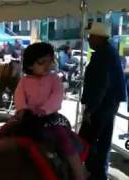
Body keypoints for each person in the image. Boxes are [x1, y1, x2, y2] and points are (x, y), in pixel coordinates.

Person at [14, 42, 84, 180]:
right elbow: (19, 95)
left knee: (64, 139)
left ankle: (78, 174)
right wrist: (21, 109)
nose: (47, 65)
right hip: (28, 117)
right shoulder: (24, 81)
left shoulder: (54, 79)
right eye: (42, 62)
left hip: (49, 117)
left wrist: (44, 110)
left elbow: (57, 97)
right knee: (5, 132)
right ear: (29, 65)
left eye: (49, 61)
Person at [78, 22, 126, 180]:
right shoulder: (109, 51)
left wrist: (90, 110)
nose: (88, 39)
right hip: (109, 105)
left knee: (87, 141)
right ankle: (99, 175)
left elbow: (100, 85)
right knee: (103, 142)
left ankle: (94, 174)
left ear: (99, 37)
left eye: (91, 36)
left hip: (101, 106)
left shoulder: (102, 55)